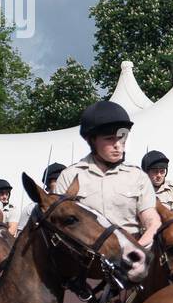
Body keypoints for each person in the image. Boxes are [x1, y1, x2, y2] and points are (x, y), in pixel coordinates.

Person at [53, 101, 159, 249]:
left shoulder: (138, 177)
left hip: (131, 254)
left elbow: (152, 221)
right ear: (91, 140)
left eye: (122, 138)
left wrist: (137, 250)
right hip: (85, 258)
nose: (118, 144)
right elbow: (58, 225)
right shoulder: (69, 176)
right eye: (110, 138)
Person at [18, 162, 66, 232]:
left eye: (65, 181)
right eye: (57, 180)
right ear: (47, 186)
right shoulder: (30, 209)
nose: (62, 184)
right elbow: (22, 237)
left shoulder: (77, 207)